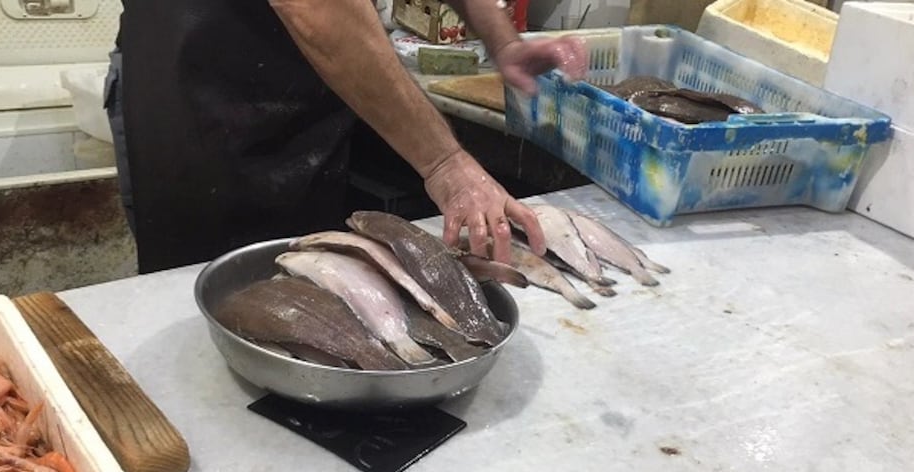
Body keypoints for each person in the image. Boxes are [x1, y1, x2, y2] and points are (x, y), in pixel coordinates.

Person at [104, 0, 587, 274]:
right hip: (195, 79)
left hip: (297, 88)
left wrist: (501, 40)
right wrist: (446, 165)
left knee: (309, 286)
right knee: (216, 297)